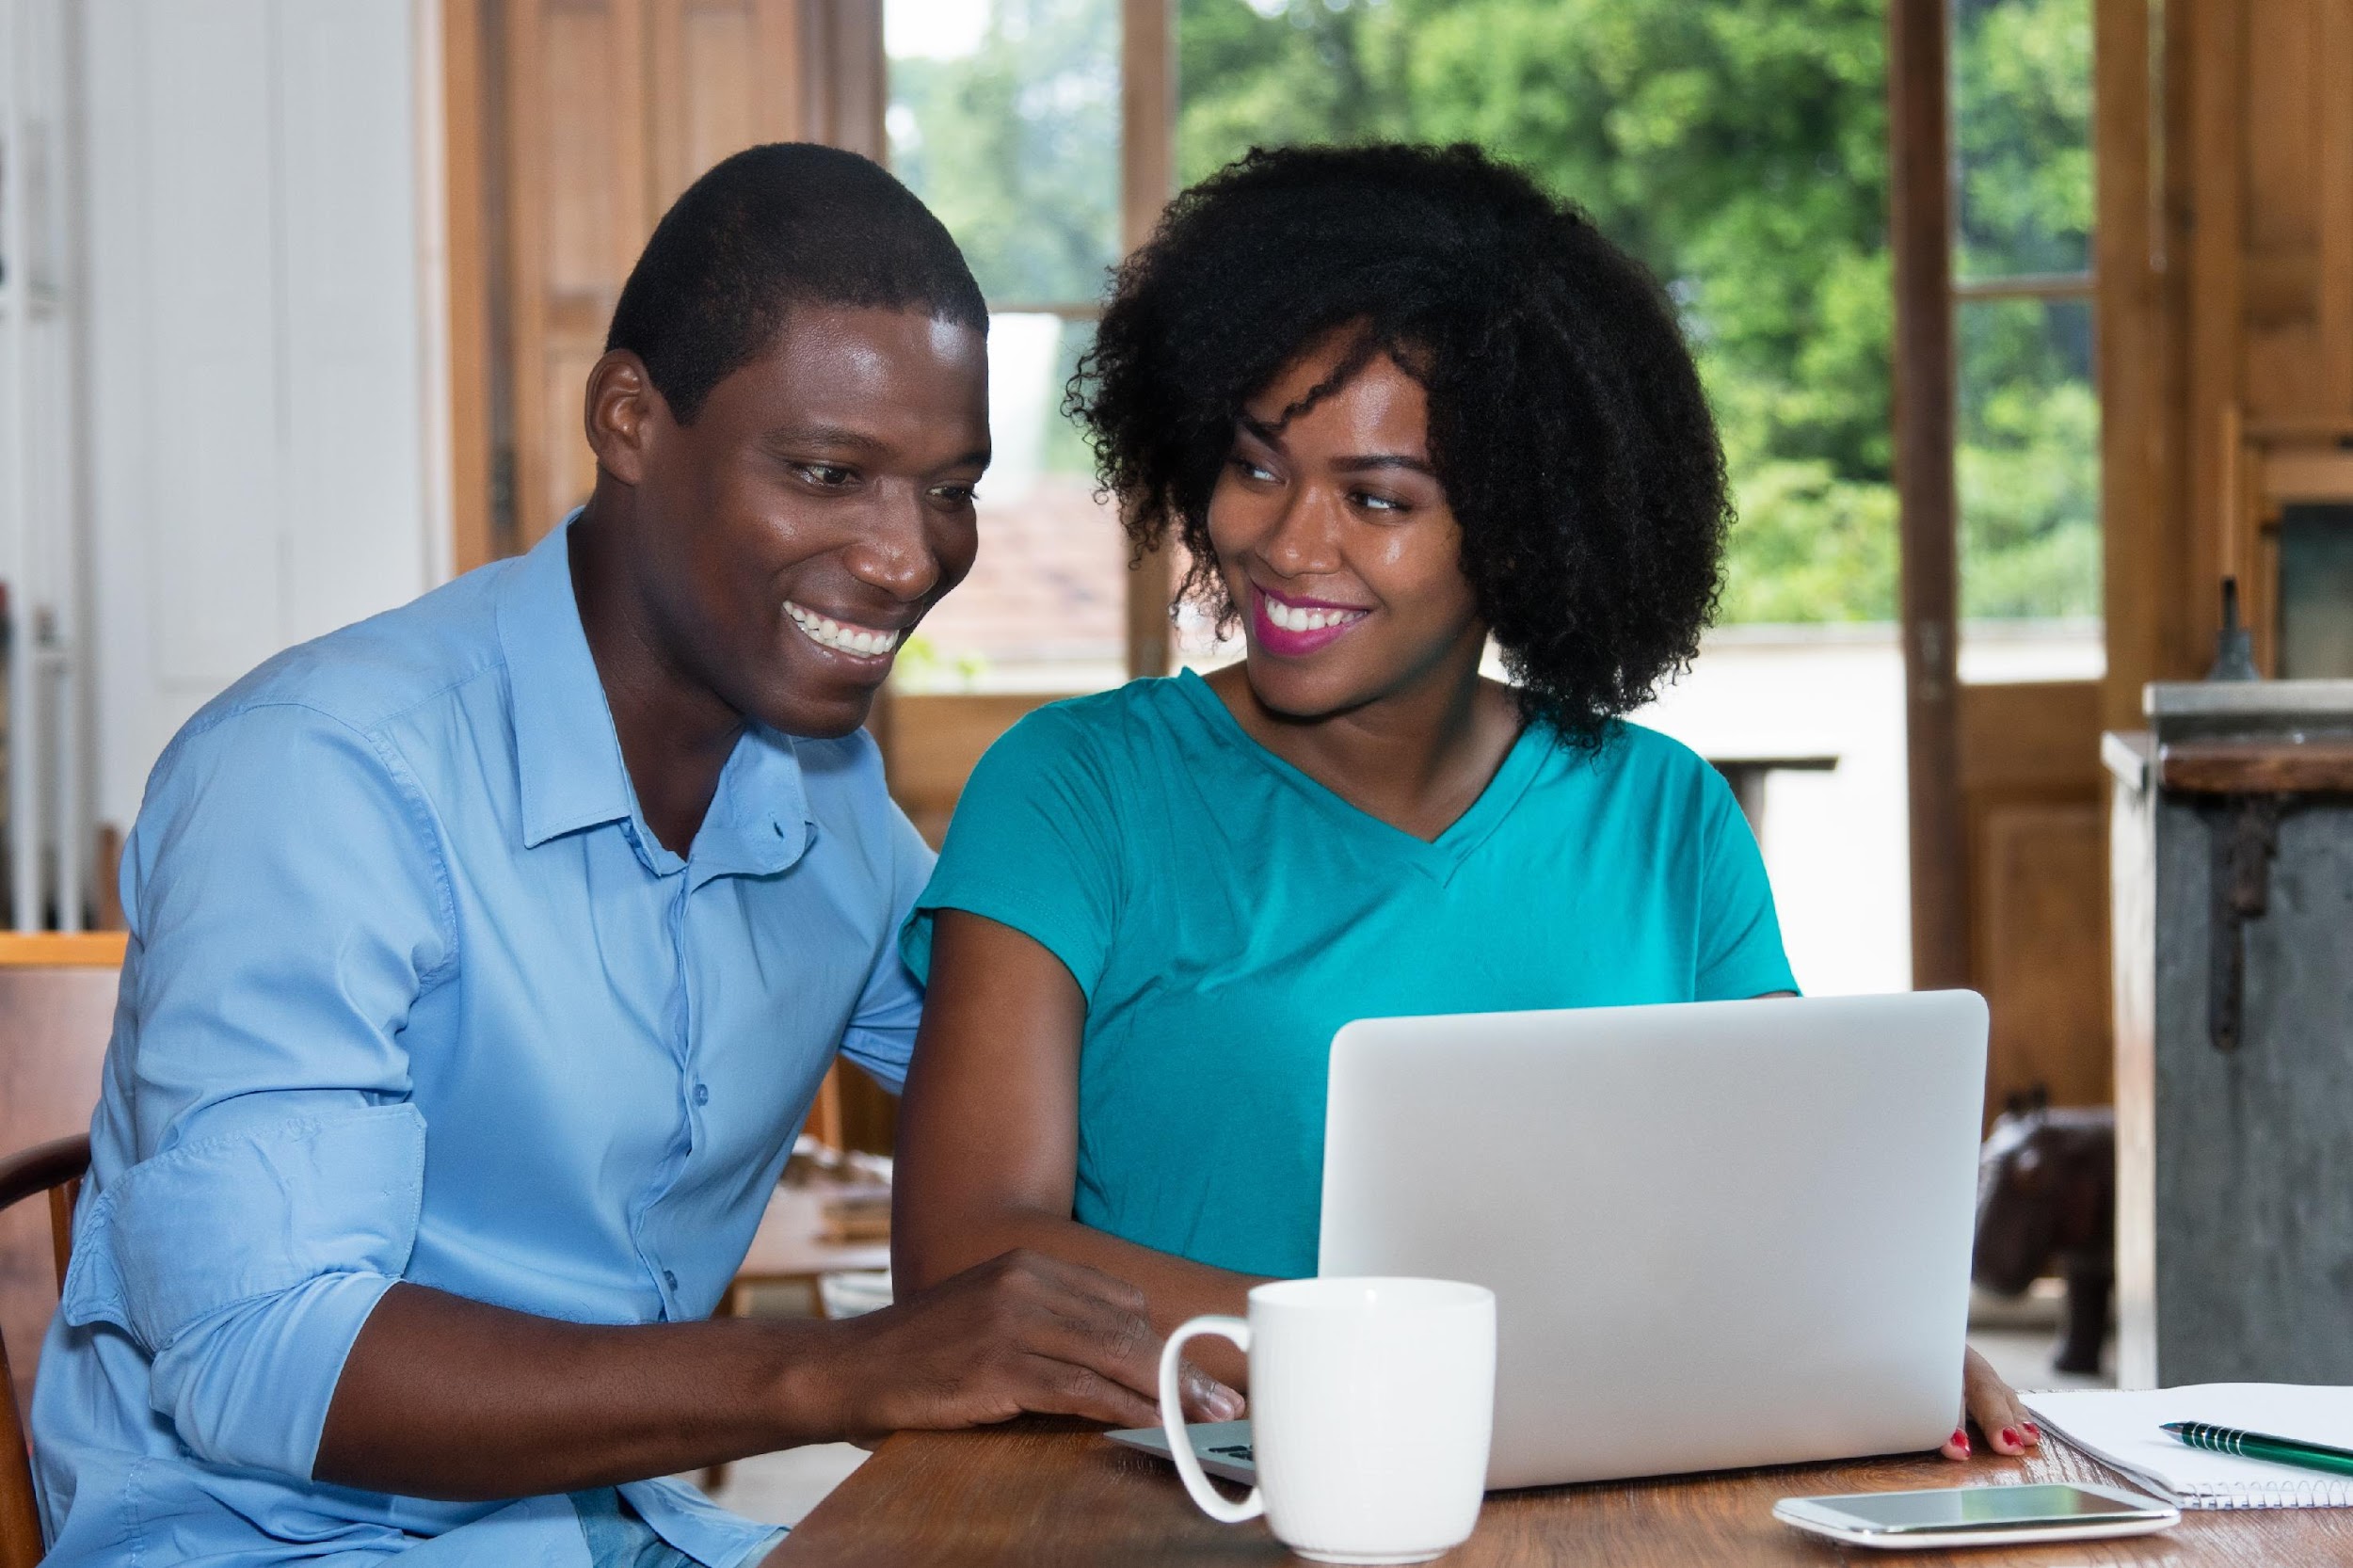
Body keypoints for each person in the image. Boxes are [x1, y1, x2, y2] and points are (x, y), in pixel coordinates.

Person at [33, 144, 1225, 1568]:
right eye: (830, 472)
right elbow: (264, 1353)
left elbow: (1075, 1092)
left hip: (620, 1537)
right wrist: (841, 1368)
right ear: (628, 419)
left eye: (951, 488)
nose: (911, 558)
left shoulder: (824, 796)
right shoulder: (321, 774)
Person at [891, 142, 2042, 1464]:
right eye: (1258, 464)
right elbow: (962, 1247)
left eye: (1377, 498)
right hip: (1174, 1513)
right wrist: (1388, 1353)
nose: (1286, 539)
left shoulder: (1663, 822)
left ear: (1520, 528)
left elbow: (1762, 1228)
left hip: (1595, 1509)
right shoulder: (1076, 792)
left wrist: (1864, 1329)